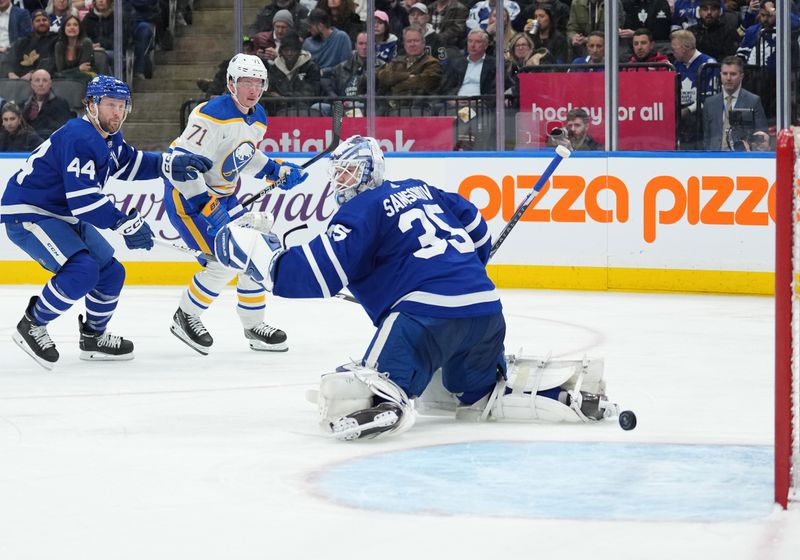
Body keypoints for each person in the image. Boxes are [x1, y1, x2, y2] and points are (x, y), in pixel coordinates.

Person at [213, 135, 617, 440]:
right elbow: (473, 220)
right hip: (486, 312)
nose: (341, 180)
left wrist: (260, 256)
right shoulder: (422, 188)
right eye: (338, 172)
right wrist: (470, 265)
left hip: (425, 318)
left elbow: (315, 274)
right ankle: (569, 399)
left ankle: (384, 401)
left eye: (349, 171)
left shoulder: (361, 209)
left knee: (348, 389)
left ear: (370, 171)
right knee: (477, 396)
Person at [0, 75, 213, 369]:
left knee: (111, 273)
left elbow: (130, 163)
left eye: (122, 105)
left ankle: (93, 337)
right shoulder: (80, 136)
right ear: (91, 105)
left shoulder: (109, 137)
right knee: (83, 270)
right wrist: (125, 223)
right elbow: (84, 200)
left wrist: (168, 164)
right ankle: (32, 325)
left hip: (61, 214)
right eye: (110, 104)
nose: (117, 112)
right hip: (30, 212)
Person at [162, 54, 308, 356]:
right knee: (223, 260)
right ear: (231, 83)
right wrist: (205, 204)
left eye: (258, 82)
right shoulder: (210, 115)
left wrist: (276, 170)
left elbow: (244, 156)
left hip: (224, 195)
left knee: (258, 248)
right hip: (187, 196)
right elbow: (182, 167)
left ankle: (254, 325)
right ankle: (185, 316)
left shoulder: (258, 117)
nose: (252, 89)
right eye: (245, 82)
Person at [702, 55, 768, 150]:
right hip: (715, 158)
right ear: (720, 75)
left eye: (733, 74)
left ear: (741, 76)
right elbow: (707, 137)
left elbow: (761, 134)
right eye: (725, 74)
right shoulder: (710, 102)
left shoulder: (753, 101)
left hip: (742, 158)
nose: (728, 78)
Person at [670, 29, 716, 150]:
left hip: (700, 115)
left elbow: (710, 97)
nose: (672, 51)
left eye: (674, 48)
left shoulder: (708, 64)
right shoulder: (676, 64)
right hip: (681, 113)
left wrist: (688, 110)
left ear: (685, 48)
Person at [263, 31, 322, 115]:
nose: (289, 53)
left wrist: (283, 98)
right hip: (277, 112)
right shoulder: (274, 68)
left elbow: (311, 93)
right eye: (286, 50)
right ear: (281, 51)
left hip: (304, 111)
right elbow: (270, 91)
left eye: (293, 50)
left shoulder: (310, 67)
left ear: (299, 51)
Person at [20, 69, 74, 138]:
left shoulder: (61, 103)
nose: (41, 84)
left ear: (50, 84)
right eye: (37, 80)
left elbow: (63, 129)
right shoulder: (24, 105)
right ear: (32, 85)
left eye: (45, 80)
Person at [7, 9, 58, 80]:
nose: (42, 23)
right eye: (38, 20)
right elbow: (9, 59)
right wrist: (10, 73)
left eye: (44, 20)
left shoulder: (56, 40)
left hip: (44, 80)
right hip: (18, 82)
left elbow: (53, 62)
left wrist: (33, 73)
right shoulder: (22, 42)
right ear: (32, 24)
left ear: (49, 22)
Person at [303, 8, 353, 72]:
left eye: (310, 27)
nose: (308, 30)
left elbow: (346, 65)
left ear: (320, 26)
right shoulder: (308, 43)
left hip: (335, 78)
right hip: (313, 78)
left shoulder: (341, 38)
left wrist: (325, 71)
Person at [53, 14, 96, 82]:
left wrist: (67, 72)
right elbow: (60, 71)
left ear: (79, 28)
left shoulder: (86, 43)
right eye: (68, 25)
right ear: (64, 28)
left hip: (84, 81)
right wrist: (78, 69)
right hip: (64, 81)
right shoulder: (59, 45)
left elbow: (84, 70)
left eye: (75, 25)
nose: (72, 27)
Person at [0, 0, 32, 77]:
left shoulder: (22, 13)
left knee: (4, 57)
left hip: (12, 52)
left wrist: (8, 48)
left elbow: (26, 37)